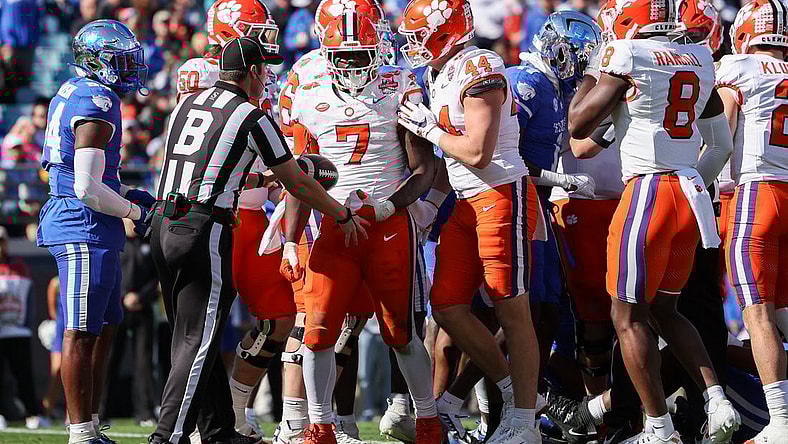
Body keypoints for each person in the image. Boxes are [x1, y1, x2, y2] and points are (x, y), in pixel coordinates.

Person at [148, 37, 366, 444]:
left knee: (196, 334)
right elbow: (296, 182)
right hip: (203, 225)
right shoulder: (251, 115)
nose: (267, 76)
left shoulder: (187, 104)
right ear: (252, 72)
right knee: (197, 340)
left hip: (163, 222)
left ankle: (217, 431)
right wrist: (340, 211)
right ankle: (168, 436)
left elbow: (215, 164)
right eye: (264, 69)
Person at [567, 0, 740, 441]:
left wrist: (593, 70)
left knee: (626, 317)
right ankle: (717, 403)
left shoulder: (628, 55)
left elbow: (577, 124)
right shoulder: (699, 56)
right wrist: (688, 183)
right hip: (690, 195)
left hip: (647, 192)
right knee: (666, 309)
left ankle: (658, 427)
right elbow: (719, 146)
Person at [279, 9, 442, 443]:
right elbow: (300, 175)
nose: (352, 65)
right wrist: (291, 241)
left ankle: (427, 421)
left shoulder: (399, 83)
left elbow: (424, 169)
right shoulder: (305, 83)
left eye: (362, 55)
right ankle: (320, 425)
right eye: (343, 56)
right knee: (316, 332)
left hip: (386, 226)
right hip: (332, 224)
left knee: (400, 331)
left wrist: (390, 207)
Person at [397, 0, 543, 442]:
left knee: (511, 309)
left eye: (419, 35)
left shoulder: (481, 66)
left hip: (501, 194)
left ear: (445, 32)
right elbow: (449, 164)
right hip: (465, 201)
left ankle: (525, 422)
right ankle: (513, 396)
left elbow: (478, 152)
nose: (413, 46)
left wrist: (431, 131)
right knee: (445, 305)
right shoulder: (439, 72)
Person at [37, 19, 153, 444]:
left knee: (105, 325)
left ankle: (89, 421)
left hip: (91, 221)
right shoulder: (96, 100)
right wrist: (134, 213)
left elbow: (90, 176)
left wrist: (130, 195)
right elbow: (85, 187)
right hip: (81, 223)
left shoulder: (76, 90)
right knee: (82, 329)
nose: (128, 68)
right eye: (121, 60)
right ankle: (81, 431)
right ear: (98, 60)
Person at [717, 0, 788, 441]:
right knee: (782, 311)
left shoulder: (738, 68)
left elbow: (721, 136)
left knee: (756, 312)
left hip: (756, 194)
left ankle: (780, 423)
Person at [99, 219, 158, 426]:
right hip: (116, 308)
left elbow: (156, 277)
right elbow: (108, 273)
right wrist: (123, 296)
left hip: (142, 309)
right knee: (109, 360)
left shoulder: (148, 243)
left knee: (144, 361)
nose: (132, 222)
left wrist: (140, 297)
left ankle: (145, 413)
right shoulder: (115, 243)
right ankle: (101, 412)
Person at [0, 226, 43, 428]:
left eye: (2, 242)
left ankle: (32, 414)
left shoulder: (20, 267)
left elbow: (30, 300)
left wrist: (25, 325)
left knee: (24, 375)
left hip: (18, 331)